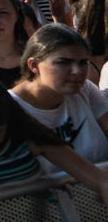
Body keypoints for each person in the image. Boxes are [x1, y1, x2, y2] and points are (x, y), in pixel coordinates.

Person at [9, 24, 108, 169]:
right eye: (63, 62)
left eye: (83, 63)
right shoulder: (8, 107)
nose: (77, 71)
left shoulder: (85, 89)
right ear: (34, 65)